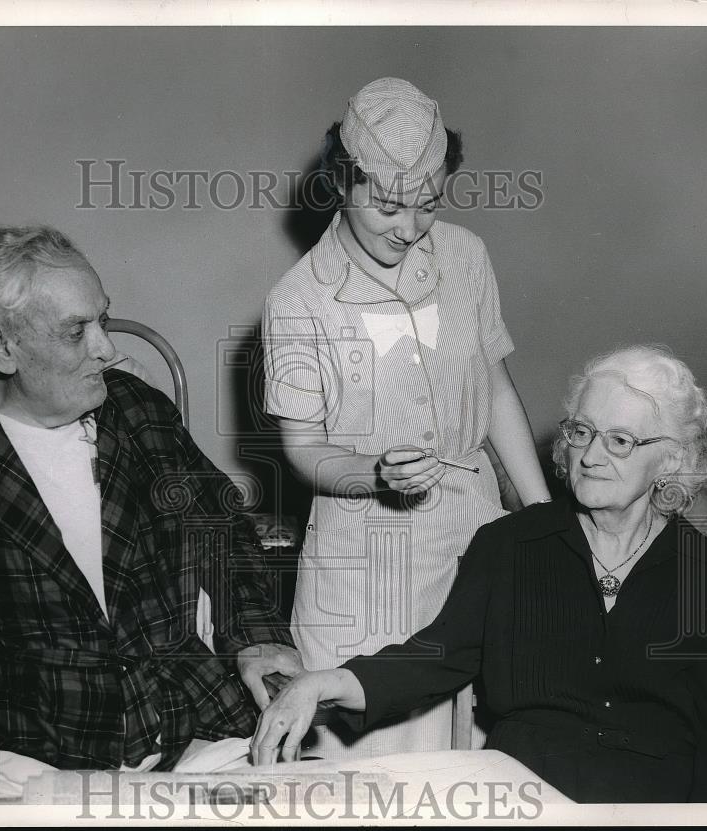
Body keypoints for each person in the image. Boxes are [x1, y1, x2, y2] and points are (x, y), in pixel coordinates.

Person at [0, 226, 301, 803]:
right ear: (2, 346)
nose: (106, 348)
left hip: (188, 729)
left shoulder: (137, 410)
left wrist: (253, 637)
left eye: (103, 320)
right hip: (27, 750)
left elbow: (223, 535)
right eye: (76, 332)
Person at [252, 345, 707, 803]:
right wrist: (321, 684)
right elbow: (435, 658)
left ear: (670, 459)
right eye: (581, 431)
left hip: (649, 806)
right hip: (520, 792)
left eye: (620, 440)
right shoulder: (510, 544)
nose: (589, 455)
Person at [262, 77, 550, 757]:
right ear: (342, 182)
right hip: (365, 572)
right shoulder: (298, 300)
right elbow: (303, 446)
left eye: (426, 204)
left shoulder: (465, 257)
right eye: (387, 205)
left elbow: (495, 388)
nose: (409, 227)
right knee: (371, 774)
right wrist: (374, 472)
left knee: (479, 765)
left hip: (472, 541)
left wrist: (541, 516)